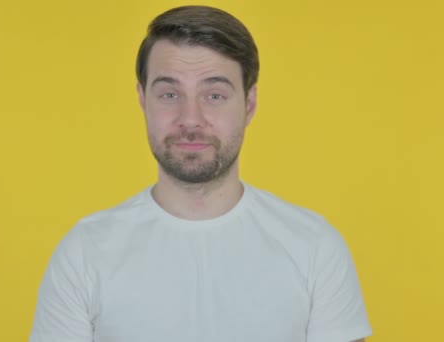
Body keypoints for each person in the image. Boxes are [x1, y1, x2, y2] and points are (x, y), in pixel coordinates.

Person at [29, 5, 372, 342]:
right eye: (169, 94)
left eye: (214, 95)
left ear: (249, 104)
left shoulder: (315, 248)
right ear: (142, 99)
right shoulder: (84, 253)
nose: (190, 118)